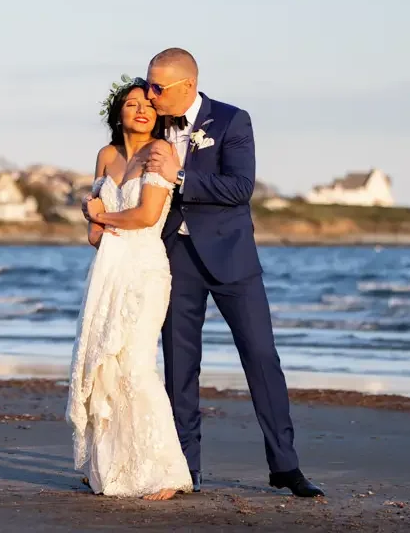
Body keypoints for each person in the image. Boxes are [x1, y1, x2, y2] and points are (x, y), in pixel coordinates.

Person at [142, 47, 323, 498]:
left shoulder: (232, 121)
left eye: (158, 87)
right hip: (174, 258)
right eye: (148, 85)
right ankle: (186, 468)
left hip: (232, 259)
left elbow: (241, 189)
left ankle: (285, 466)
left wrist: (181, 177)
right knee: (180, 367)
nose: (150, 94)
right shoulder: (151, 125)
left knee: (262, 358)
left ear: (187, 86)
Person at [66, 75, 193, 501]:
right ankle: (113, 467)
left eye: (148, 105)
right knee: (106, 366)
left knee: (136, 365)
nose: (141, 110)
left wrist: (100, 216)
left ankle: (166, 472)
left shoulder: (162, 151)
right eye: (132, 104)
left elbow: (145, 215)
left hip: (144, 268)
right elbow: (93, 235)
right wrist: (95, 218)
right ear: (117, 112)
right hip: (107, 269)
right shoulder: (105, 155)